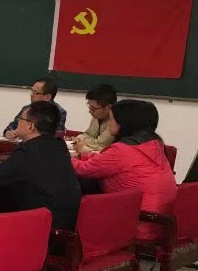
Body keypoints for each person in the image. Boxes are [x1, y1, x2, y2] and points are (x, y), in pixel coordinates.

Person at [71, 99, 176, 240]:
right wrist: (83, 155)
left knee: (77, 193)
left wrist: (65, 158)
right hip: (161, 224)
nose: (109, 124)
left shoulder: (122, 151)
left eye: (111, 119)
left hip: (138, 225)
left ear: (124, 124)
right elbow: (104, 161)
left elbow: (82, 169)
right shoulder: (153, 145)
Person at [0, 101, 81, 230]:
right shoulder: (58, 145)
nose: (18, 122)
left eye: (20, 119)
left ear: (30, 126)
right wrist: (6, 165)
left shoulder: (30, 150)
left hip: (41, 228)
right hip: (64, 222)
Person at [73, 84, 117, 155]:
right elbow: (87, 134)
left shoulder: (116, 121)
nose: (90, 111)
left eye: (93, 108)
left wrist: (80, 138)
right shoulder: (96, 116)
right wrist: (80, 139)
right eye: (89, 107)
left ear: (109, 107)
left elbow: (102, 144)